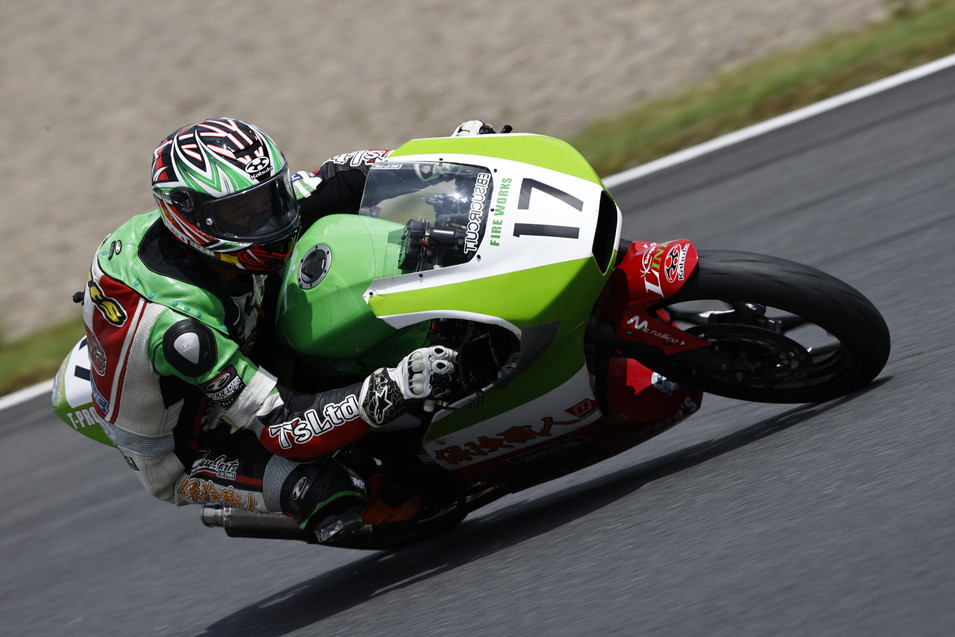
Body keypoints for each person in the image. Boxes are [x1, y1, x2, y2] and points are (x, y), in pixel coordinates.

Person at [81, 117, 491, 542]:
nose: (266, 219)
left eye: (268, 198)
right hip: (195, 444)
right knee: (328, 490)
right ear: (192, 219)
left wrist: (448, 160)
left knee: (332, 269)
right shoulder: (180, 329)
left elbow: (338, 179)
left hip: (244, 333)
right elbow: (281, 424)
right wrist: (392, 389)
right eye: (243, 213)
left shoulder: (225, 222)